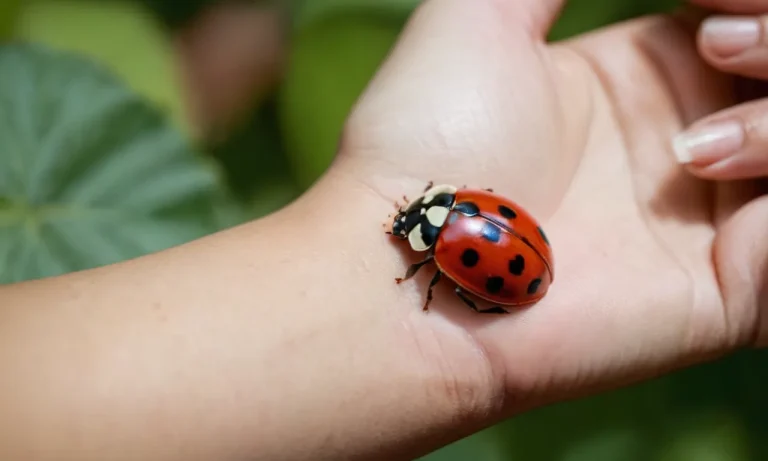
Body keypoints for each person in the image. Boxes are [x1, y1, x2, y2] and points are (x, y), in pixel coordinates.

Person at [2, 0, 767, 459]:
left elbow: (441, 261)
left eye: (408, 224)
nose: (403, 229)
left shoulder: (441, 240)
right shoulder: (455, 218)